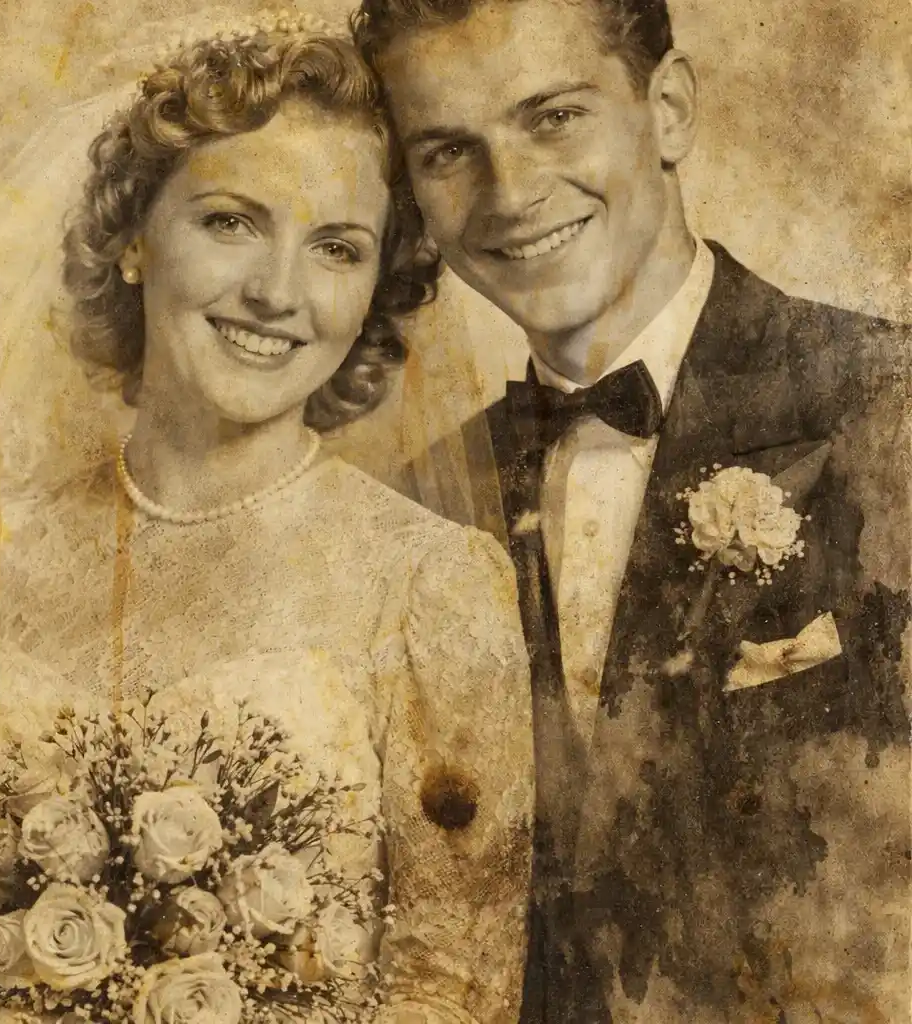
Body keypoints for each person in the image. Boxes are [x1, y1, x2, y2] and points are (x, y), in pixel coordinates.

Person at [0, 22, 534, 1024]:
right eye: (231, 222)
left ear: (375, 290)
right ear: (135, 239)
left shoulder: (433, 585)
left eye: (336, 248)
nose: (276, 292)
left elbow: (458, 989)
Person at [352, 0, 912, 1020]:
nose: (510, 194)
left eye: (555, 116)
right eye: (448, 151)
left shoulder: (886, 406)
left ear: (669, 110)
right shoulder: (421, 504)